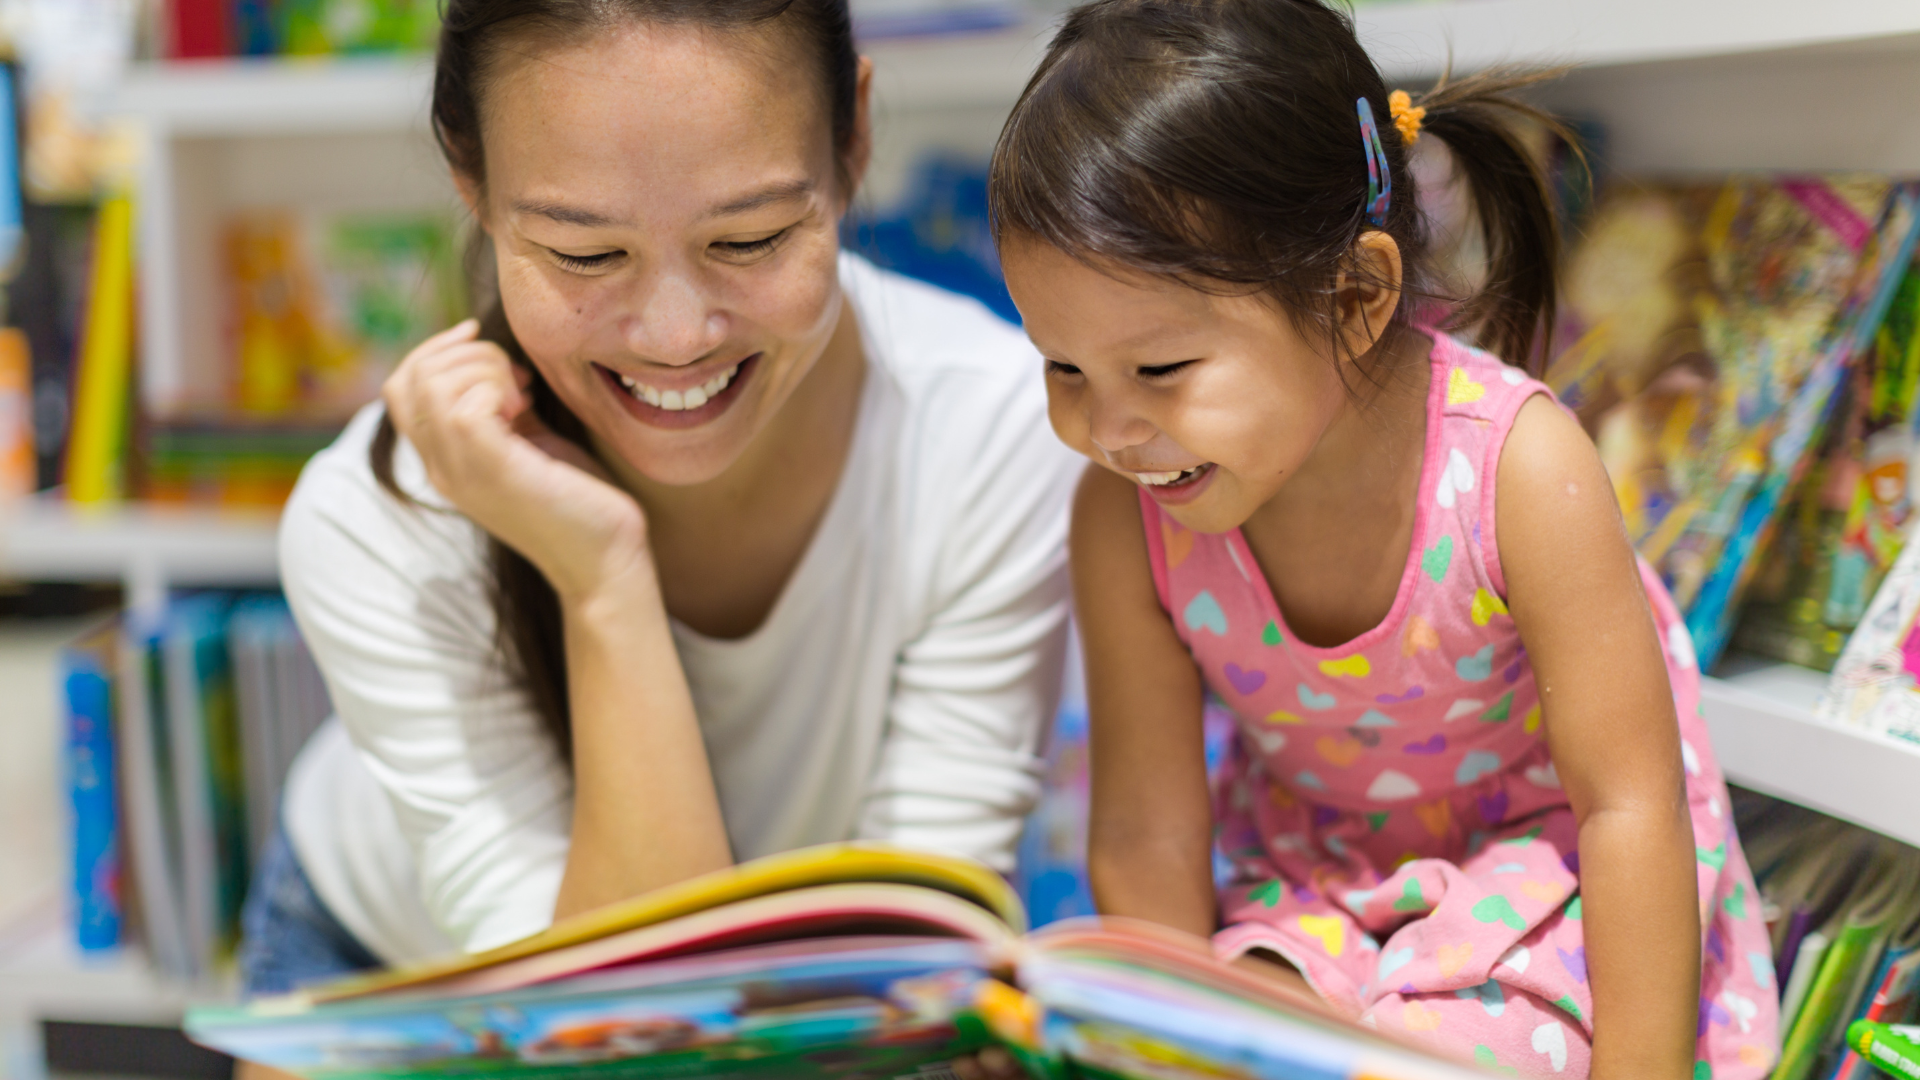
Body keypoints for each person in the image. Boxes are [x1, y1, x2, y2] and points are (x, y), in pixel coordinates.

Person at [984, 2, 1779, 1079]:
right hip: (1310, 889)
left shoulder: (1520, 470)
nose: (1108, 428)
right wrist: (1163, 1048)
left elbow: (1630, 810)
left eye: (1161, 370)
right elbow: (1149, 839)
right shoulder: (1124, 514)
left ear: (1356, 296)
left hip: (1543, 882)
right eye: (1062, 367)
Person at [239, 0, 1080, 1001]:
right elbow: (616, 1033)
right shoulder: (381, 520)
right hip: (392, 964)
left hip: (799, 1002)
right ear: (471, 177)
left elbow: (911, 966)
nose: (677, 337)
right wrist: (601, 580)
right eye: (587, 254)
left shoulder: (991, 435)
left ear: (853, 137)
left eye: (752, 238)